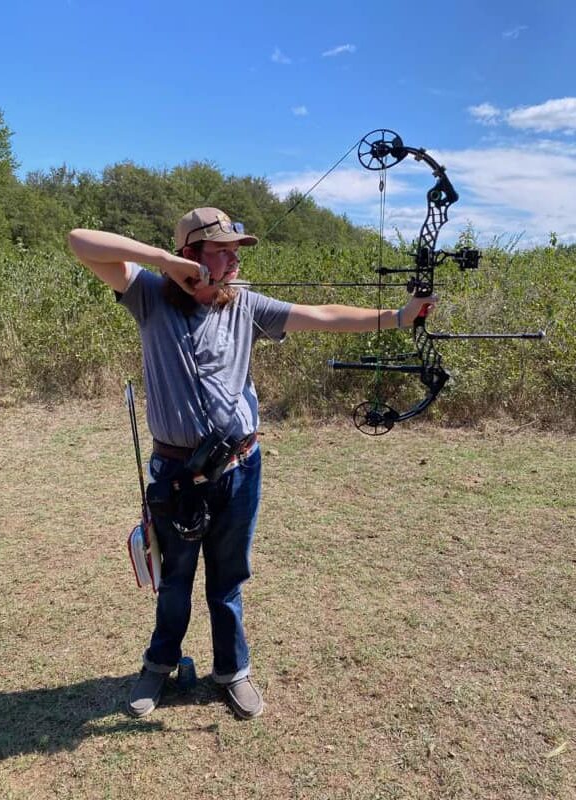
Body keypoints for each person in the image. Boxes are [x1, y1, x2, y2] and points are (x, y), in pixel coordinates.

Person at [68, 207, 436, 721]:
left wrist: (397, 317)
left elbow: (323, 315)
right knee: (175, 578)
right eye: (221, 250)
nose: (233, 260)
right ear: (190, 253)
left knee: (228, 578)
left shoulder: (245, 305)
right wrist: (161, 262)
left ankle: (232, 671)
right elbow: (80, 238)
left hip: (239, 466)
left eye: (236, 251)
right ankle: (158, 665)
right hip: (175, 471)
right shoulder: (148, 294)